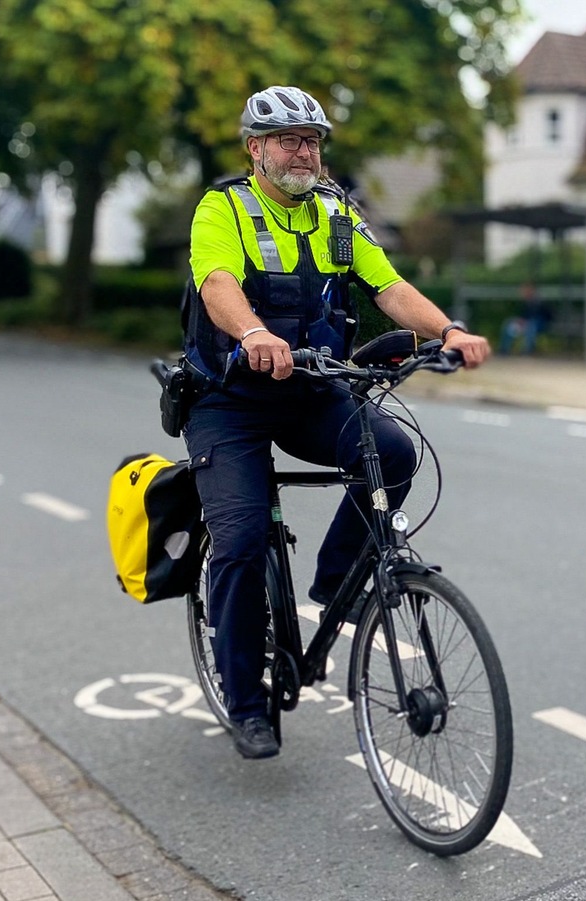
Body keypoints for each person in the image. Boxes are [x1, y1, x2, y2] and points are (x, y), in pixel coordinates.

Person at [180, 86, 489, 760]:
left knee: (395, 452)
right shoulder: (223, 208)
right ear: (256, 149)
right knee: (238, 539)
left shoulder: (334, 213)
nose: (303, 151)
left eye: (312, 139)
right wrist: (255, 332)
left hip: (309, 388)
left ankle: (335, 579)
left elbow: (389, 287)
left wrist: (449, 330)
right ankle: (246, 700)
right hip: (228, 398)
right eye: (289, 138)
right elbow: (217, 285)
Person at [498, 282, 552, 355]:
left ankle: (527, 350)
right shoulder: (526, 301)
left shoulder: (539, 301)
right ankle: (504, 349)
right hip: (526, 323)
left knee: (531, 326)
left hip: (539, 324)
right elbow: (523, 315)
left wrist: (526, 321)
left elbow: (546, 316)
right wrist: (520, 320)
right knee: (509, 323)